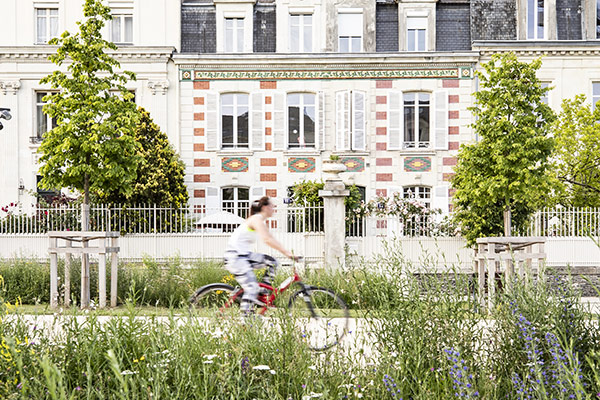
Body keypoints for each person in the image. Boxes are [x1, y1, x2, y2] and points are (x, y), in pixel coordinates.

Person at [224, 196, 299, 314]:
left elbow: (271, 238)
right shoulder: (256, 219)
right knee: (251, 287)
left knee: (273, 262)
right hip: (236, 258)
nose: (274, 208)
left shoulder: (260, 220)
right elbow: (267, 239)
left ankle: (262, 293)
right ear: (264, 207)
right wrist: (288, 253)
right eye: (271, 205)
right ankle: (247, 320)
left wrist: (287, 252)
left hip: (244, 256)